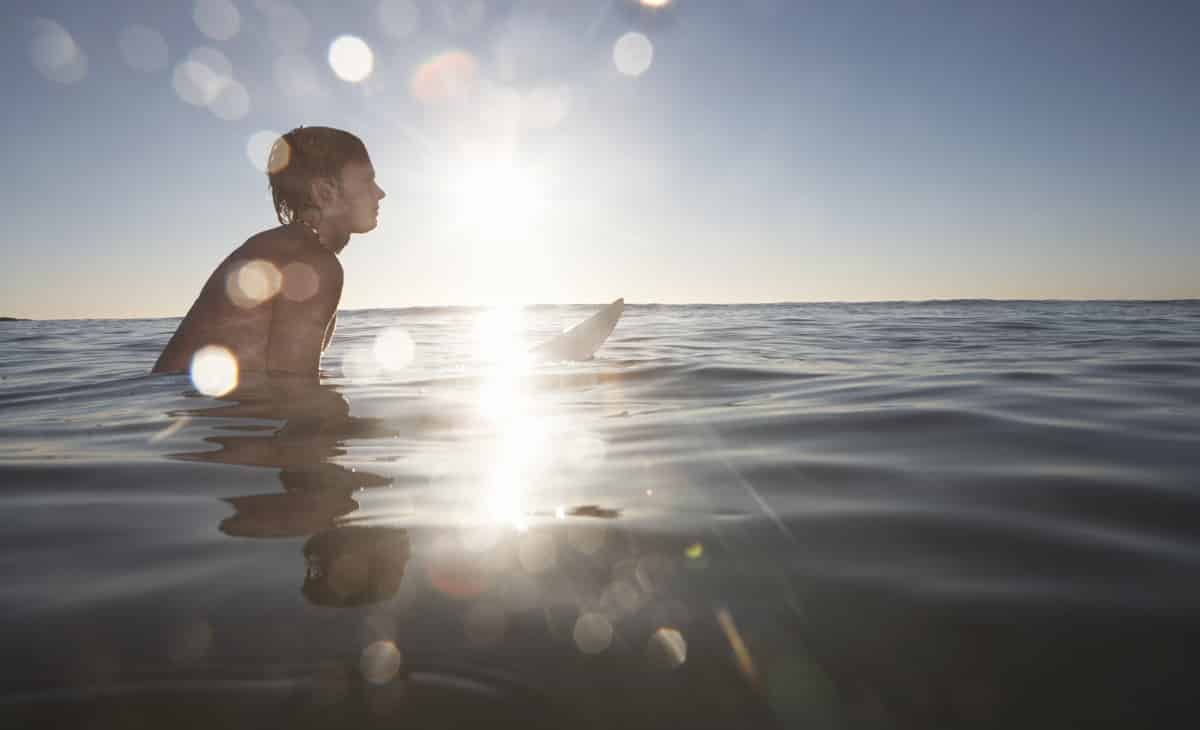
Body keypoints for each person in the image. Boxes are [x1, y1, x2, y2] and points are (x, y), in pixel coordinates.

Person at [152, 126, 386, 377]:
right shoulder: (312, 263)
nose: (380, 193)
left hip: (177, 405)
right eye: (367, 181)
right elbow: (295, 392)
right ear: (324, 192)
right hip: (206, 410)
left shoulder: (281, 248)